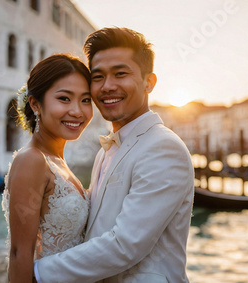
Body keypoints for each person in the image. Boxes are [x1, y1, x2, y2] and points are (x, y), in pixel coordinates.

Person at [34, 27, 195, 282]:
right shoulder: (105, 152)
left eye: (120, 74)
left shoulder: (164, 148)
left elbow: (125, 244)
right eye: (98, 77)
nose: (108, 86)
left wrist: (37, 273)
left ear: (149, 82)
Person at [1, 54, 93, 283]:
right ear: (35, 104)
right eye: (64, 98)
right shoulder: (31, 160)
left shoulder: (57, 162)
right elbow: (19, 254)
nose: (77, 111)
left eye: (85, 99)